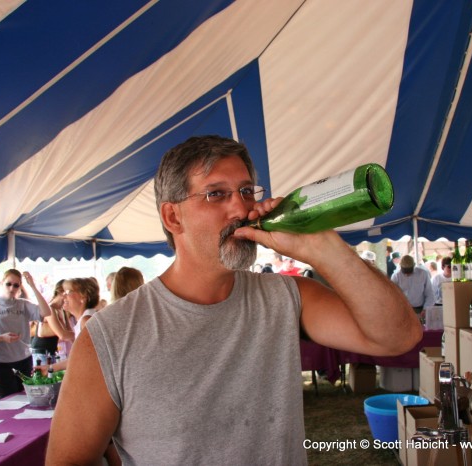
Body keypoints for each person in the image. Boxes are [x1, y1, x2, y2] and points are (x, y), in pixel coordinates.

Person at [47, 135, 421, 465]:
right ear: (172, 216)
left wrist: (322, 247)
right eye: (216, 194)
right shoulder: (109, 336)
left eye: (246, 191)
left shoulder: (286, 297)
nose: (241, 210)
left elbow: (398, 336)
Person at [0, 270, 56, 400]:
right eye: (8, 284)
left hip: (23, 360)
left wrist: (32, 286)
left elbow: (46, 312)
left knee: (26, 400)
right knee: (6, 402)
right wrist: (1, 337)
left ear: (20, 287)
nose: (11, 288)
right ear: (2, 283)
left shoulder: (23, 304)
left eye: (16, 285)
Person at [30, 280, 74, 365]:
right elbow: (62, 335)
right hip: (41, 353)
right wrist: (80, 333)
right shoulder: (50, 308)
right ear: (61, 292)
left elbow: (70, 333)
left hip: (51, 352)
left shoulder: (62, 310)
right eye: (70, 292)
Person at [391, 255, 434, 321]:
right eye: (405, 271)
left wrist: (426, 309)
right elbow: (393, 296)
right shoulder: (396, 276)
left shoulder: (423, 274)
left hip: (420, 310)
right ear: (400, 266)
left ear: (414, 265)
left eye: (409, 270)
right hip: (402, 311)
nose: (407, 274)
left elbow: (429, 294)